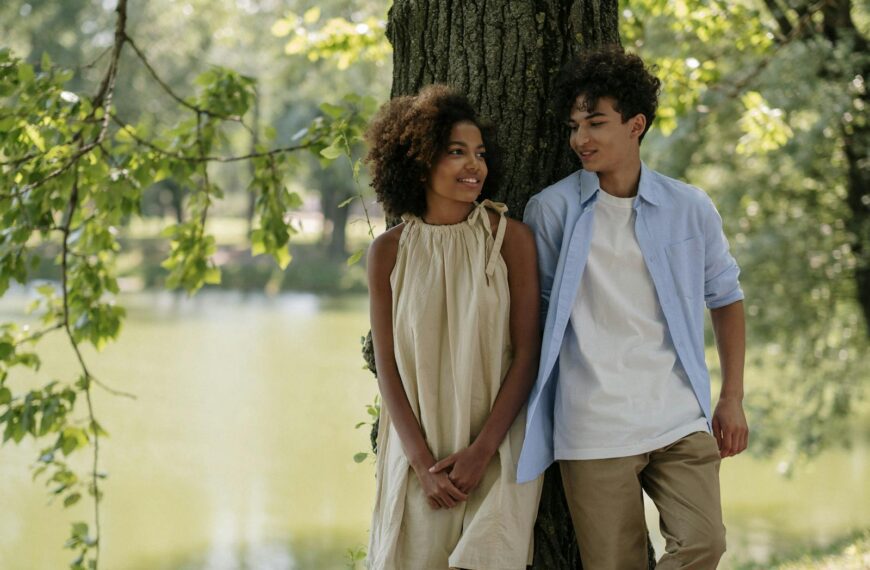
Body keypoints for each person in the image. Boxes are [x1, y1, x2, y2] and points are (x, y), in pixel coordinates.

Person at [517, 46, 749, 569]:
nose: (580, 139)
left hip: (678, 416)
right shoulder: (551, 211)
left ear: (636, 125)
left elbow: (727, 297)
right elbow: (533, 320)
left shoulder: (689, 208)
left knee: (704, 543)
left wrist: (731, 398)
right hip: (593, 425)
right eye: (574, 126)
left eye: (595, 123)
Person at [365, 85, 544, 570]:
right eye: (457, 152)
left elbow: (528, 355)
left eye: (480, 154)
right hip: (419, 450)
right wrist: (422, 464)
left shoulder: (510, 240)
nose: (474, 166)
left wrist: (482, 451)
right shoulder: (389, 253)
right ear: (420, 161)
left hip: (497, 442)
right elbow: (387, 366)